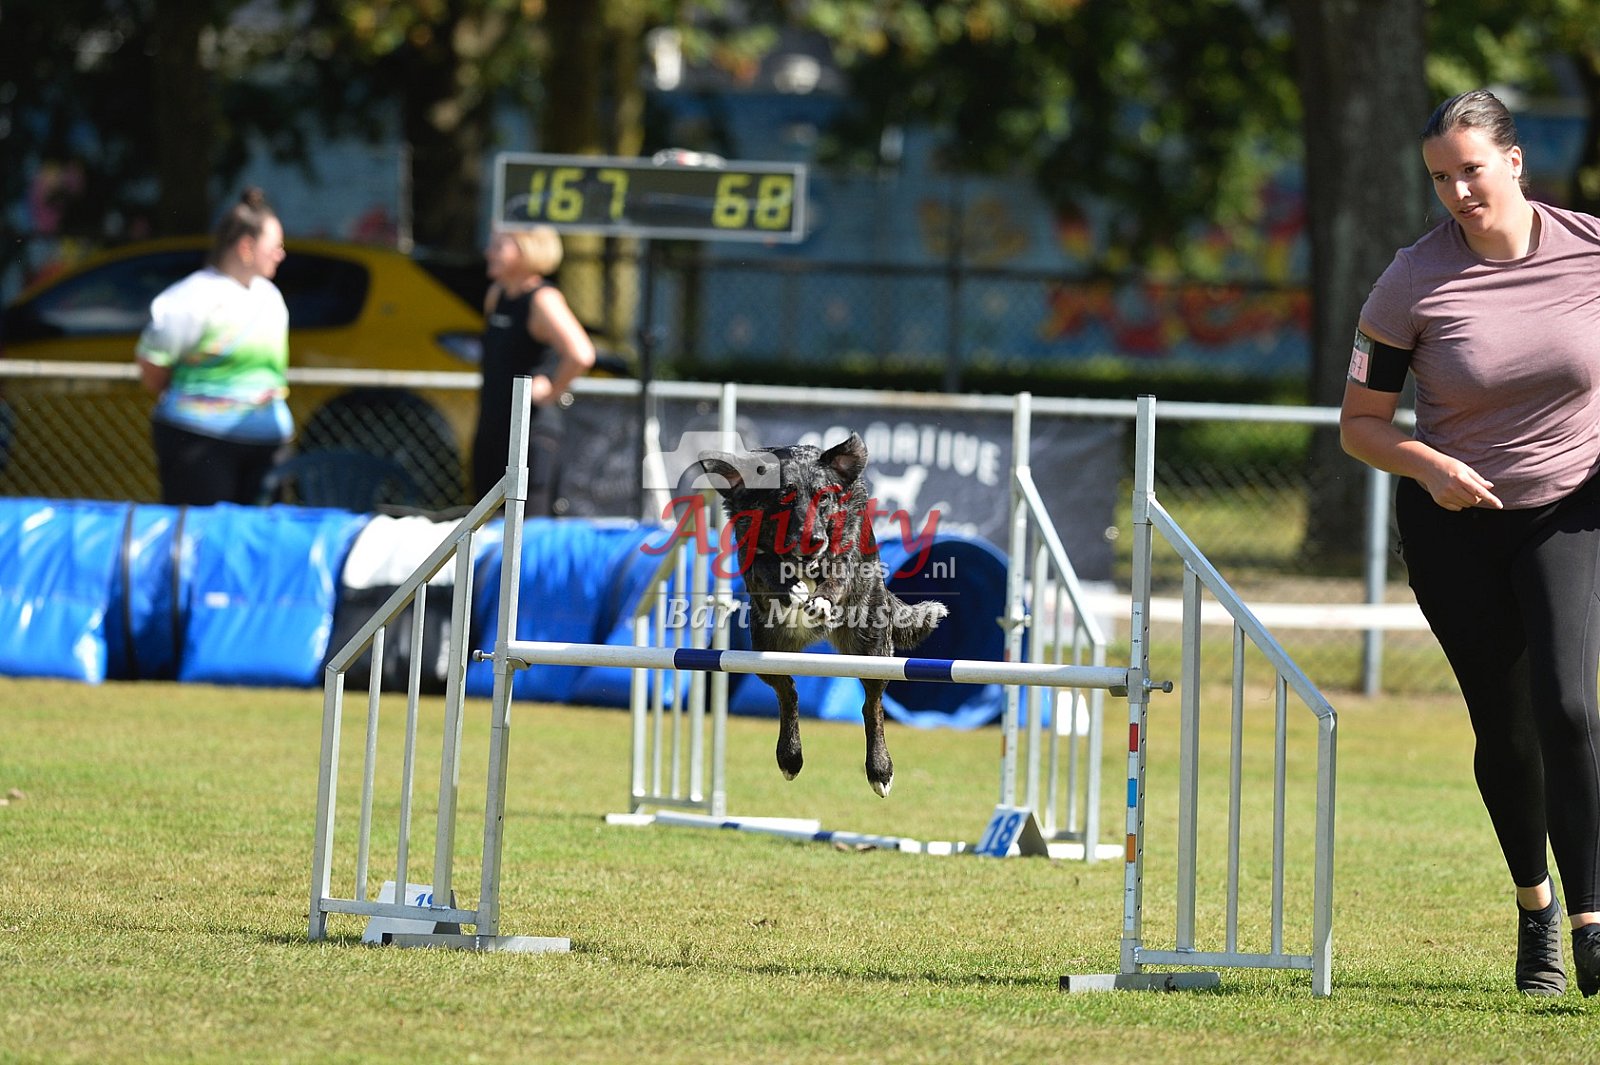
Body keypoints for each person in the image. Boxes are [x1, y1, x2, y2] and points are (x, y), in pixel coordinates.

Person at [1340, 89, 1600, 997]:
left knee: (1570, 705)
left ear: (1515, 162)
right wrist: (1428, 464)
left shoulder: (1591, 252)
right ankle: (1536, 911)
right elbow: (1360, 424)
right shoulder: (1412, 279)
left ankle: (1592, 921)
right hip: (1453, 524)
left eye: (1471, 170)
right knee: (1507, 724)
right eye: (1440, 178)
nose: (1456, 191)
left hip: (1568, 507)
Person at [135, 187, 293, 506]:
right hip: (199, 443)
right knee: (201, 533)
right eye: (275, 247)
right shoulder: (190, 298)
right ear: (246, 247)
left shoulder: (271, 297)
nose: (281, 255)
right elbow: (152, 366)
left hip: (267, 446)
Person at [470, 225, 595, 511]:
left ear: (527, 251)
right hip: (493, 427)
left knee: (528, 524)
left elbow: (581, 354)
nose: (489, 253)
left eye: (499, 247)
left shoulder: (542, 299)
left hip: (530, 432)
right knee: (485, 520)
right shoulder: (497, 295)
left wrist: (552, 389)